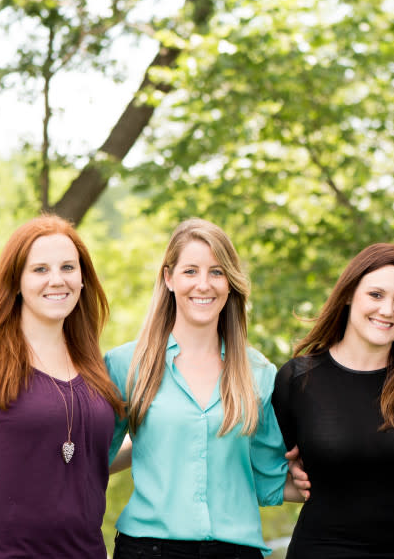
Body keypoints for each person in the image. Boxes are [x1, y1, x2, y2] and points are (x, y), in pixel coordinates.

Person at [105, 218, 303, 559]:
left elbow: (267, 475)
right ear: (168, 278)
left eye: (216, 272)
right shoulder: (126, 364)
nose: (204, 284)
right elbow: (94, 457)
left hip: (235, 550)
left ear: (230, 283)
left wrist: (326, 474)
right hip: (147, 548)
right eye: (190, 271)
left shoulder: (258, 373)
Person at [0, 214, 124, 558]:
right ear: (16, 281)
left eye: (68, 268)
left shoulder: (95, 370)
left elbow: (84, 458)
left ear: (82, 280)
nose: (56, 280)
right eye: (40, 270)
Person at [272, 243, 394, 559]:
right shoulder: (298, 379)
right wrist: (286, 483)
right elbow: (254, 467)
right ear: (350, 293)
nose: (387, 310)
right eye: (376, 295)